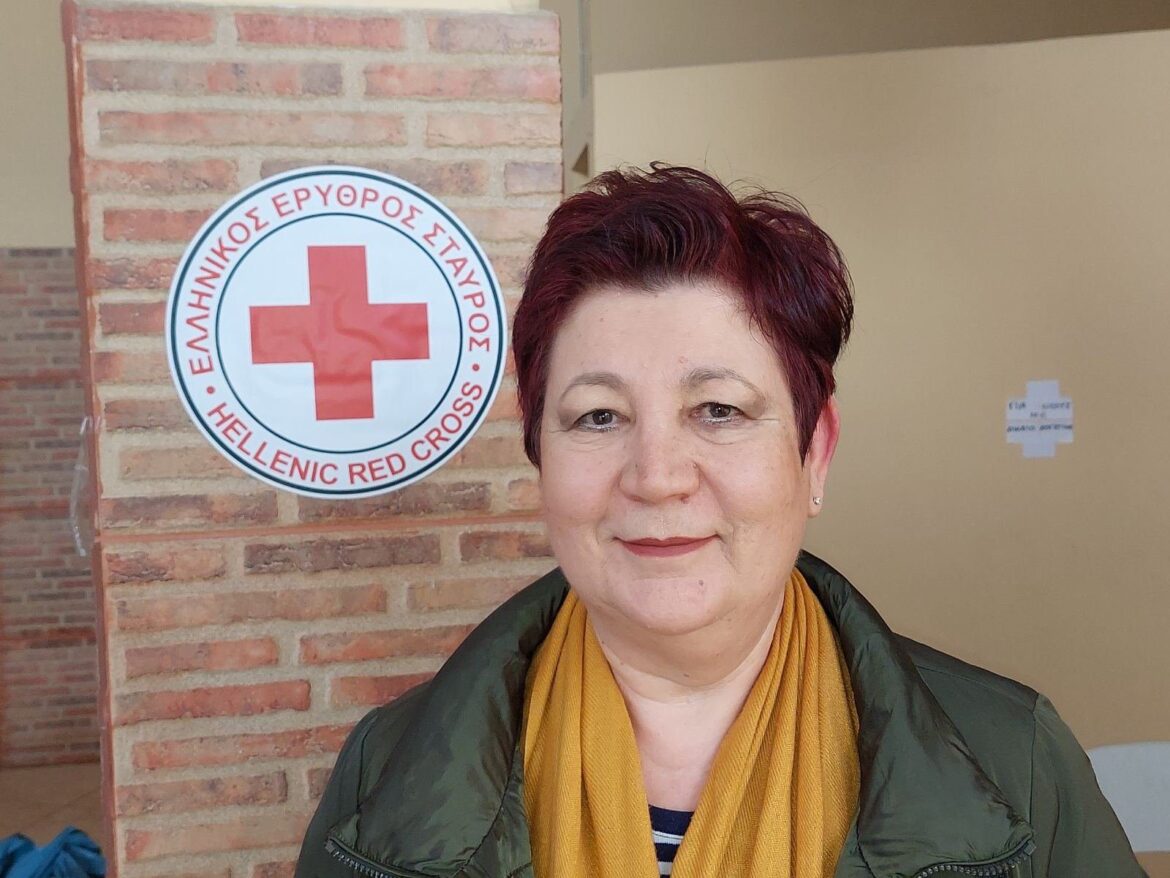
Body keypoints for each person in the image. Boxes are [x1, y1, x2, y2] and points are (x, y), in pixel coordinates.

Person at [295, 165, 1144, 877]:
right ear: (540, 460)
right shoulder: (383, 780)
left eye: (719, 410)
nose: (657, 477)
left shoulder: (1014, 767)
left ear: (814, 453)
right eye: (598, 416)